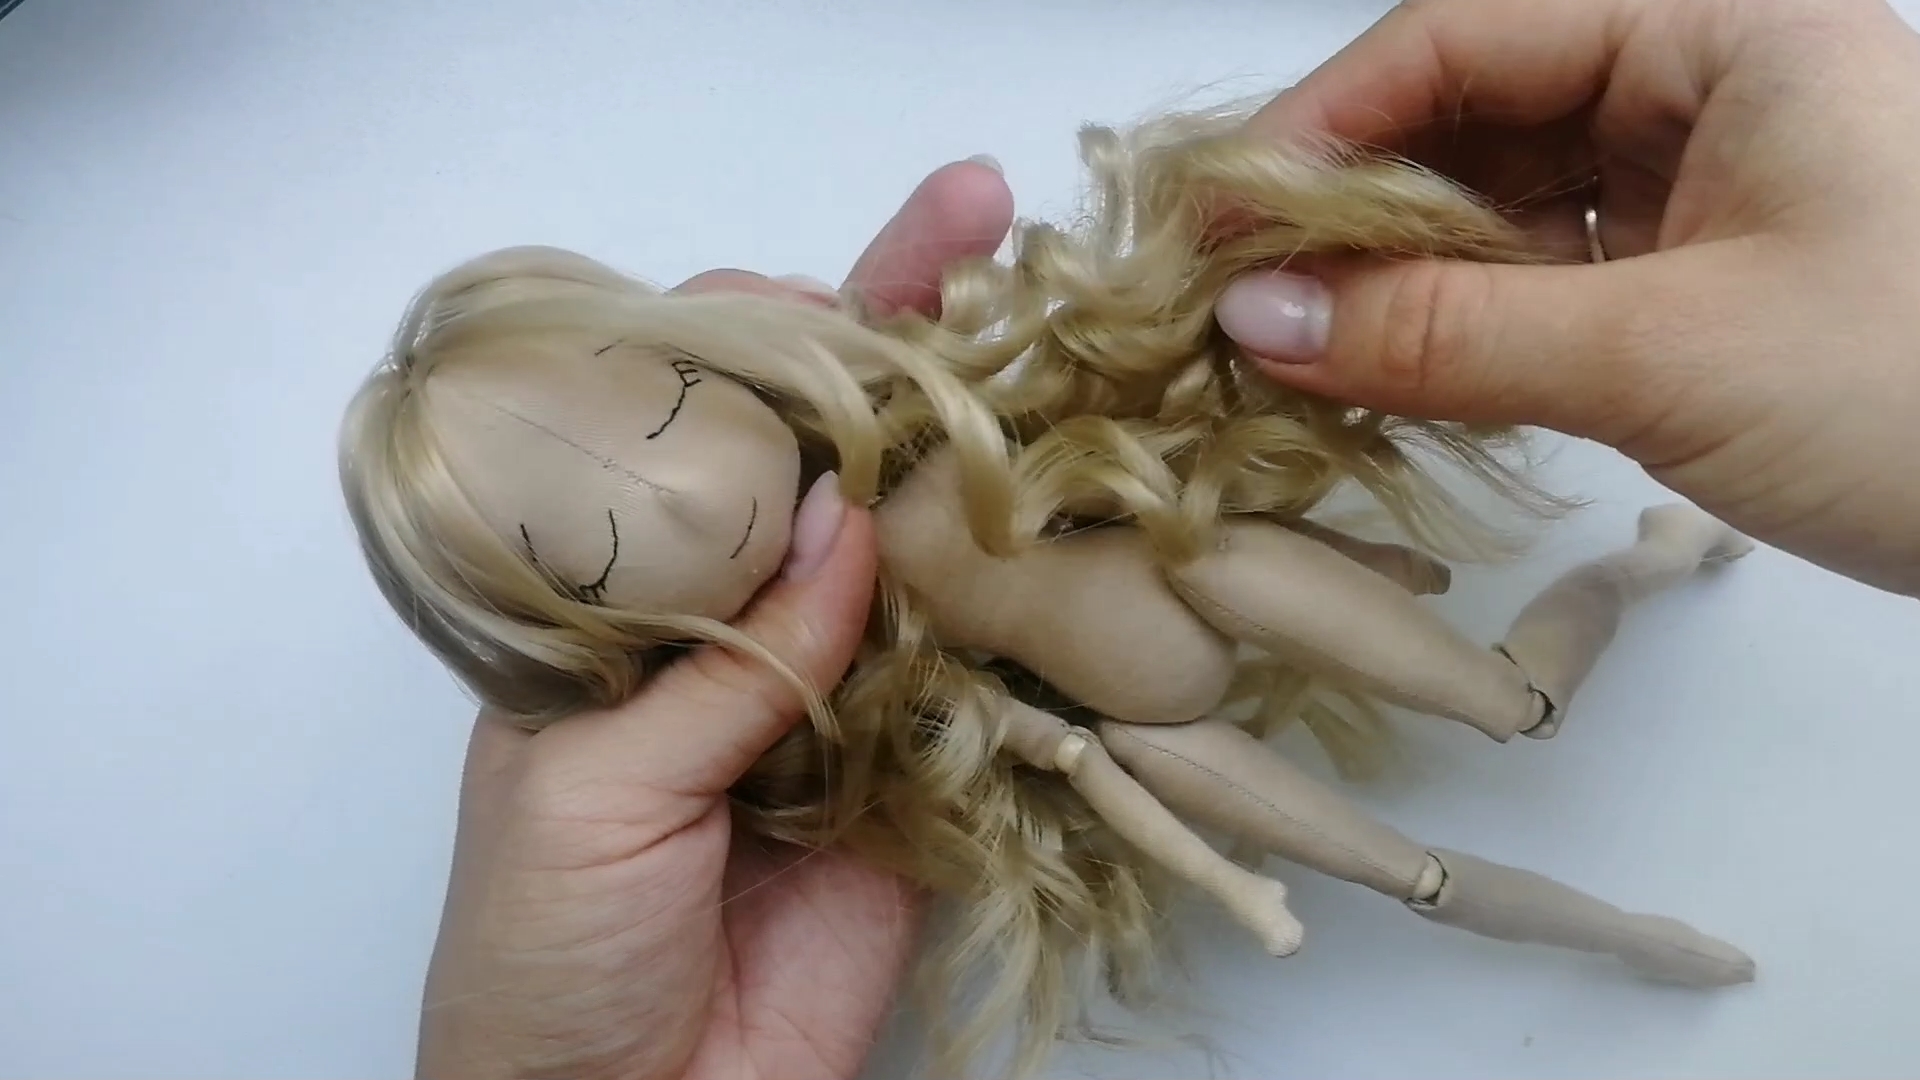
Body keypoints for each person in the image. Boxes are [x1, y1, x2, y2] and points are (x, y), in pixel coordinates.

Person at [408, 0, 1920, 1076]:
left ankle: (1647, 558)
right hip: (1152, 732)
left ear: (711, 350)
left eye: (672, 400)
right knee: (1415, 879)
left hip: (1211, 558)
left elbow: (1099, 443)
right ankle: (1638, 940)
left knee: (1516, 704)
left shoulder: (926, 426)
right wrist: (1232, 881)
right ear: (590, 630)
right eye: (592, 553)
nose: (679, 499)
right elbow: (1061, 755)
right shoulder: (853, 676)